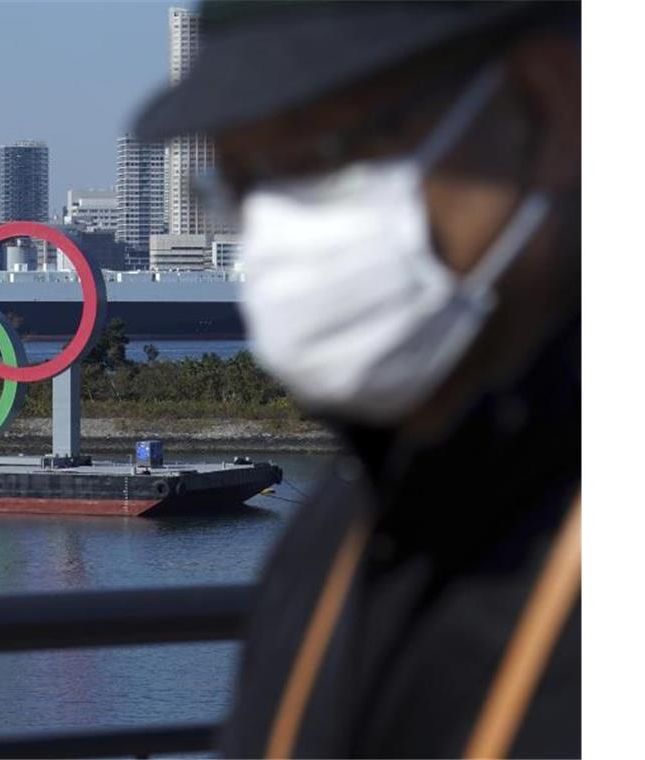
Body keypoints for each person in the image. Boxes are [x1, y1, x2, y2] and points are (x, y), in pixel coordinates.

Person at [133, 2, 579, 757]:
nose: (283, 228)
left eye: (325, 153)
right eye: (243, 182)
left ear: (549, 109)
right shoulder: (335, 539)